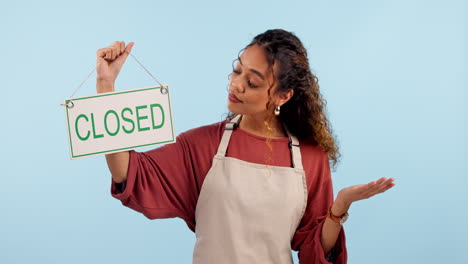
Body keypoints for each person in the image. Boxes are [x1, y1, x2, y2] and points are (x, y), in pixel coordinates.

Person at [95, 29, 395, 264]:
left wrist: (338, 208)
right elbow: (129, 172)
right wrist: (106, 87)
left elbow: (313, 250)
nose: (236, 85)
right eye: (237, 71)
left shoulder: (310, 158)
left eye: (252, 82)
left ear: (283, 96)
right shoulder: (202, 144)